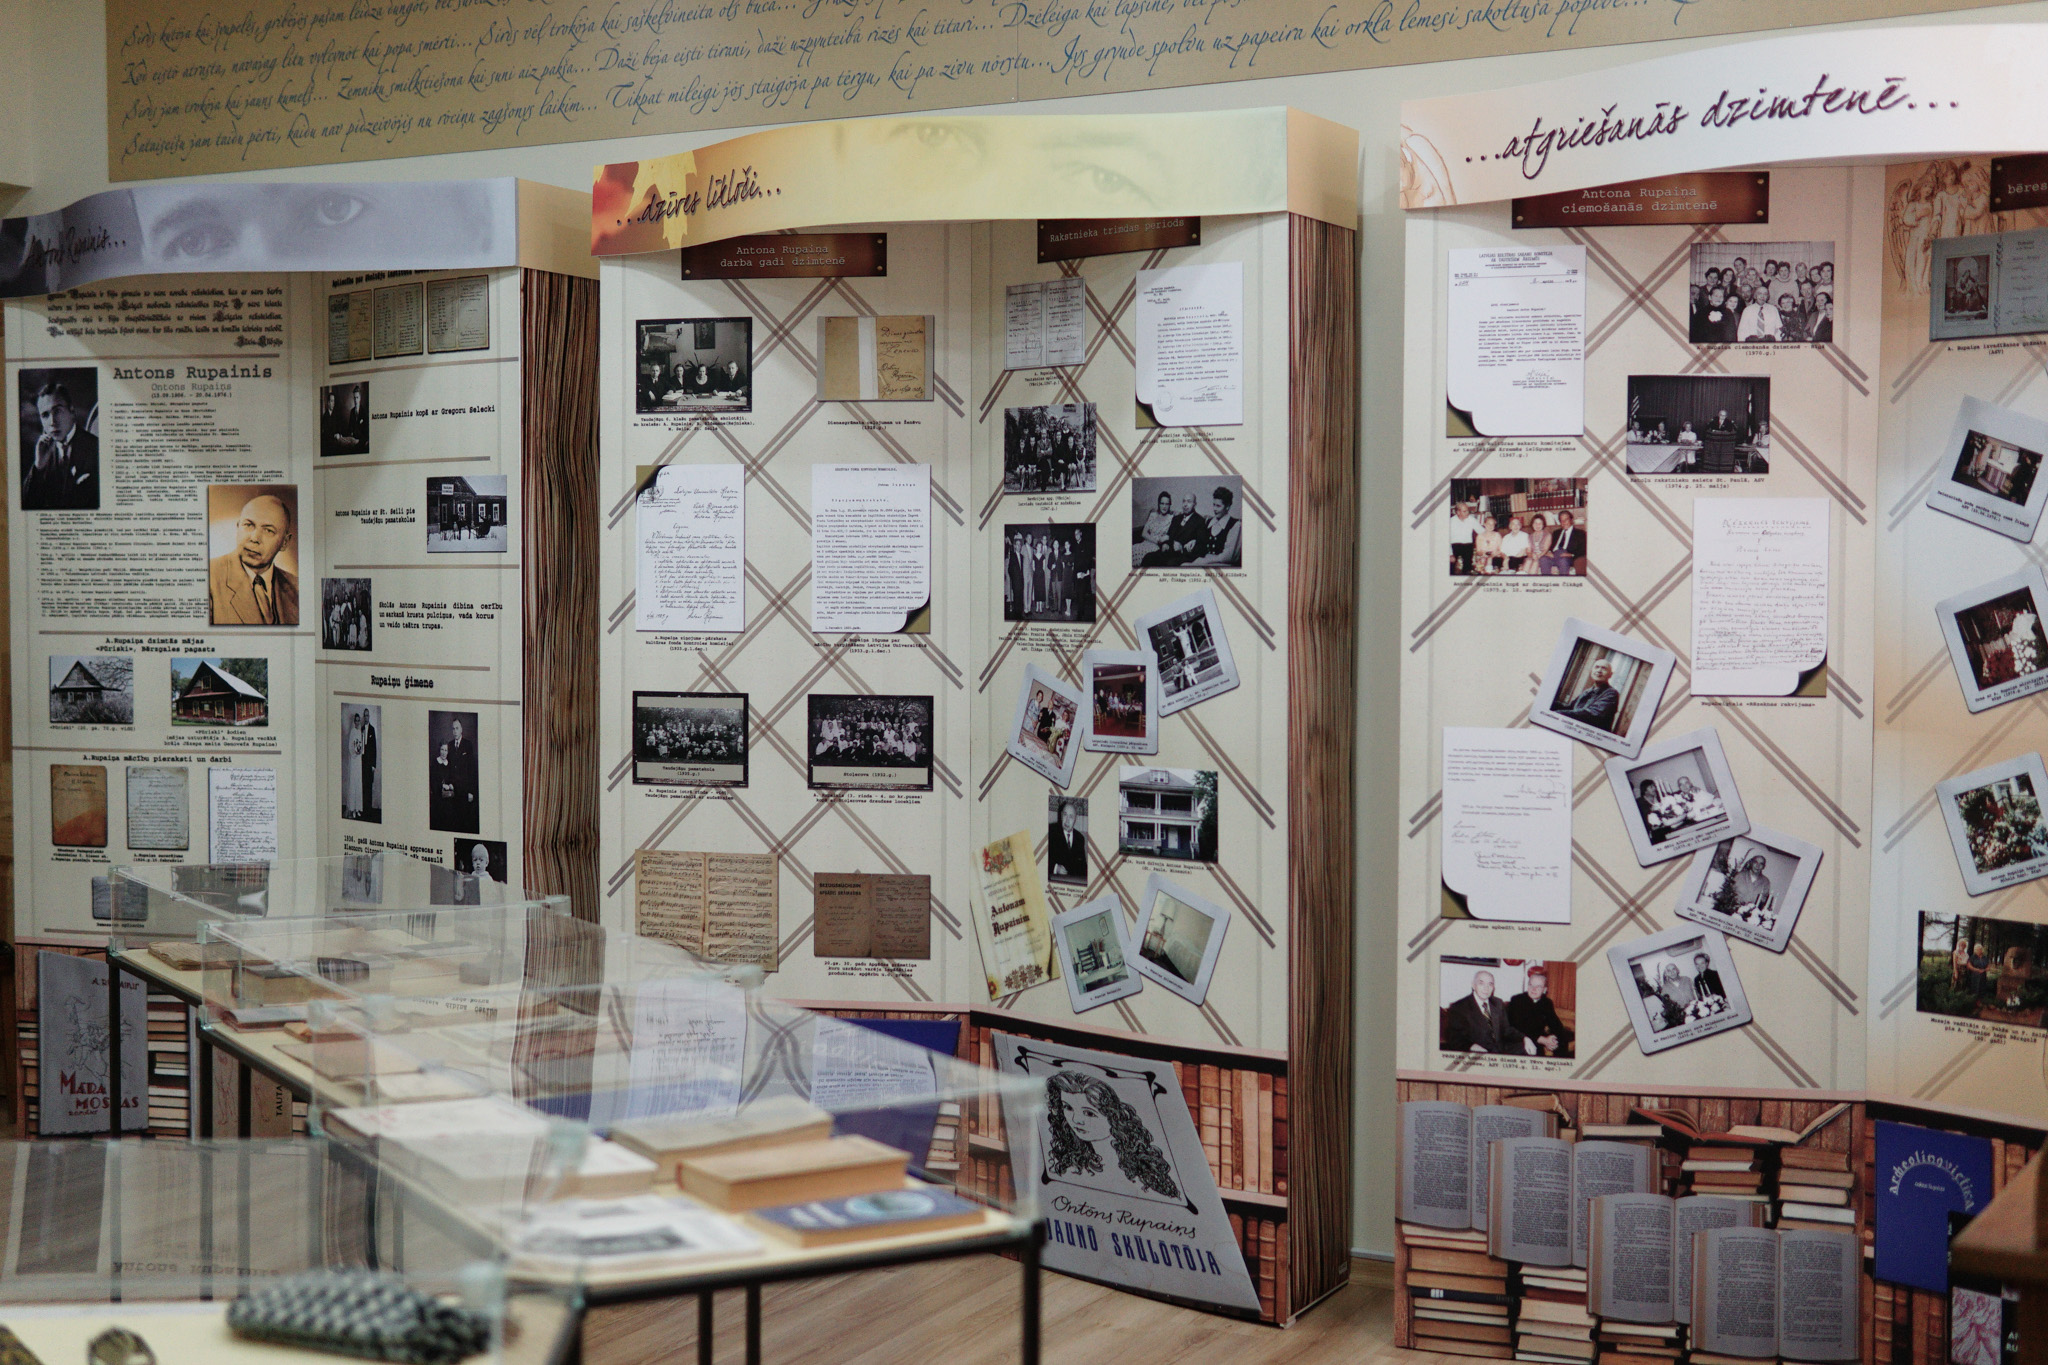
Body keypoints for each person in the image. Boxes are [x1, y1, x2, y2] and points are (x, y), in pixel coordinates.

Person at [1043, 1071, 1182, 1200]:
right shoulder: (1070, 1161)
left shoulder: (1142, 1170)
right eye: (1067, 1107)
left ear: (1113, 1116)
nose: (1076, 1120)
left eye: (1089, 1113)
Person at [209, 493, 299, 625]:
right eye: (248, 525)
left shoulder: (297, 588)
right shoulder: (208, 577)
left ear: (285, 542)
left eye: (268, 530)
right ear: (238, 527)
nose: (254, 538)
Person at [23, 379, 99, 510]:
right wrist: (39, 466)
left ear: (72, 411)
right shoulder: (42, 452)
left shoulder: (95, 447)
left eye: (57, 411)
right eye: (45, 415)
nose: (52, 422)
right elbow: (26, 505)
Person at [1442, 970, 1535, 1055]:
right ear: (1473, 985)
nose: (1486, 988)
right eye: (1481, 983)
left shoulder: (1498, 1003)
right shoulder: (1459, 1007)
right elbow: (1455, 1037)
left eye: (1490, 984)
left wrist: (1525, 1038)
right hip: (1478, 1051)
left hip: (1501, 1049)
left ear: (1493, 987)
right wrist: (1471, 1046)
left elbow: (1506, 1030)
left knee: (1528, 1049)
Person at [1506, 968, 1573, 1057]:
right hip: (1521, 1037)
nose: (1533, 989)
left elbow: (1556, 1024)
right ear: (1528, 986)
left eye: (1538, 986)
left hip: (1539, 1036)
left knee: (1562, 1041)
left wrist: (1553, 1039)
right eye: (1531, 985)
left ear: (1544, 990)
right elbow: (1518, 1026)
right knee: (1535, 1052)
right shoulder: (1517, 1000)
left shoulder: (1547, 1002)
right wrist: (1542, 1040)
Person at [1556, 658, 1621, 732]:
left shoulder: (1611, 694)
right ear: (1591, 671)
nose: (1599, 671)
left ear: (1610, 675)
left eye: (1604, 668)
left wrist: (1559, 713)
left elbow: (1591, 714)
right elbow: (1570, 708)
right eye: (1596, 667)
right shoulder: (1587, 691)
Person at [1189, 486, 1242, 567]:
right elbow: (1202, 543)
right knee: (1184, 565)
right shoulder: (1209, 522)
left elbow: (1228, 556)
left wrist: (1205, 560)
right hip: (1206, 562)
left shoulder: (1235, 525)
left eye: (1218, 506)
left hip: (1224, 566)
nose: (1214, 509)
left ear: (1227, 507)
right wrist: (1195, 541)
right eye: (1214, 505)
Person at [1048, 798, 1086, 882]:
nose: (1067, 821)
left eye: (1071, 817)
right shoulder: (1051, 832)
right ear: (1061, 815)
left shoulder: (1080, 838)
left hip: (1073, 882)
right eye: (1065, 815)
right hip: (1055, 880)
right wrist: (1055, 868)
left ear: (1075, 819)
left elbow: (1083, 867)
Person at [1136, 491, 1175, 566]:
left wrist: (1160, 542)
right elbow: (1143, 533)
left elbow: (1171, 535)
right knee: (1133, 549)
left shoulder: (1172, 518)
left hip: (1157, 547)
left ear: (1170, 505)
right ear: (1159, 504)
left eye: (1167, 504)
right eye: (1162, 503)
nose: (1164, 506)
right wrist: (1156, 540)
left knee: (1145, 557)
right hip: (1146, 542)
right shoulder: (1153, 515)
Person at [1541, 511, 1585, 575]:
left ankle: (1563, 580)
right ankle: (1546, 580)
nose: (1563, 522)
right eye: (1561, 520)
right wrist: (1549, 552)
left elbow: (1583, 550)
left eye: (1566, 520)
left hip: (1567, 557)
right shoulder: (1556, 533)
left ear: (1571, 520)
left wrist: (1571, 554)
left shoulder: (1580, 533)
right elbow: (1550, 546)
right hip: (1554, 555)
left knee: (1563, 560)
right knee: (1543, 559)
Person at [1449, 501, 1479, 575]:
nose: (1467, 513)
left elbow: (1481, 531)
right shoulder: (1451, 521)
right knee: (1451, 567)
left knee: (1468, 568)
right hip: (1454, 546)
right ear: (1458, 512)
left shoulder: (1471, 519)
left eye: (1468, 510)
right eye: (1465, 511)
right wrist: (1450, 554)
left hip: (1468, 546)